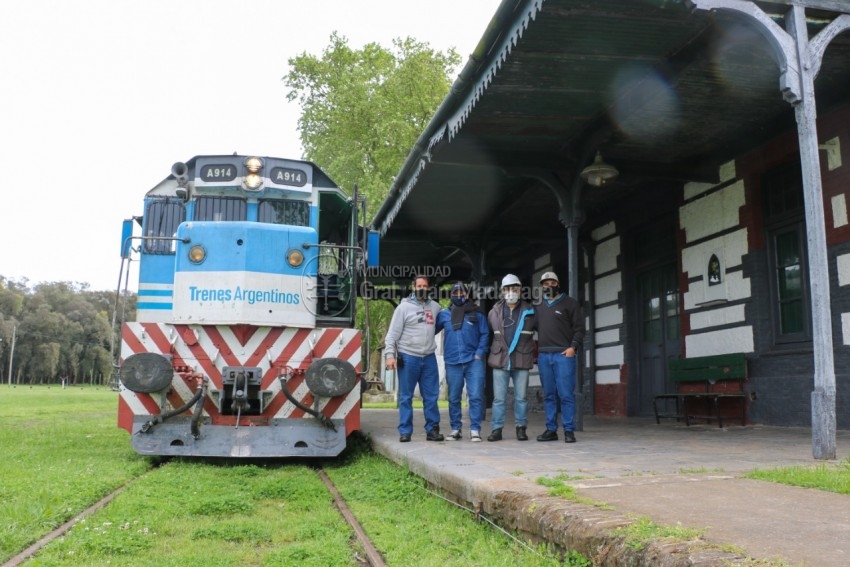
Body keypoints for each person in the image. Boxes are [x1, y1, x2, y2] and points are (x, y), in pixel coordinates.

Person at [385, 275, 444, 442]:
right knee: (406, 396)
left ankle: (432, 430)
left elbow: (441, 324)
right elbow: (391, 335)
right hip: (408, 357)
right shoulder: (403, 309)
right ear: (413, 287)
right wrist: (389, 355)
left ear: (429, 288)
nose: (422, 289)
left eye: (425, 286)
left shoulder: (435, 307)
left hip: (429, 358)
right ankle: (405, 431)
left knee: (431, 396)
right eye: (419, 285)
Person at [533, 271, 584, 443]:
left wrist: (573, 348)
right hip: (544, 356)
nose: (548, 286)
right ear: (542, 286)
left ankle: (569, 430)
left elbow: (579, 328)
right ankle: (551, 429)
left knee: (566, 394)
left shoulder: (570, 303)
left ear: (558, 284)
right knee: (549, 395)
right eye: (545, 284)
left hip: (563, 355)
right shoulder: (538, 305)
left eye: (552, 283)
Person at [435, 282, 489, 442]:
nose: (459, 295)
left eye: (462, 292)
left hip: (473, 361)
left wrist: (479, 354)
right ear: (451, 295)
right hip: (452, 361)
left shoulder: (477, 314)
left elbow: (485, 334)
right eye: (455, 292)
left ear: (468, 294)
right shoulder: (444, 314)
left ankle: (475, 429)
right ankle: (455, 429)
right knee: (453, 397)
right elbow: (429, 330)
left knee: (476, 396)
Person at [486, 274, 535, 442]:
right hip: (500, 359)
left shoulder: (530, 311)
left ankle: (521, 428)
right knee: (499, 399)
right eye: (508, 289)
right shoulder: (494, 312)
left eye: (514, 289)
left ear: (520, 290)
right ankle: (496, 430)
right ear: (503, 291)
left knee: (521, 398)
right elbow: (488, 335)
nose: (511, 292)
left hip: (522, 359)